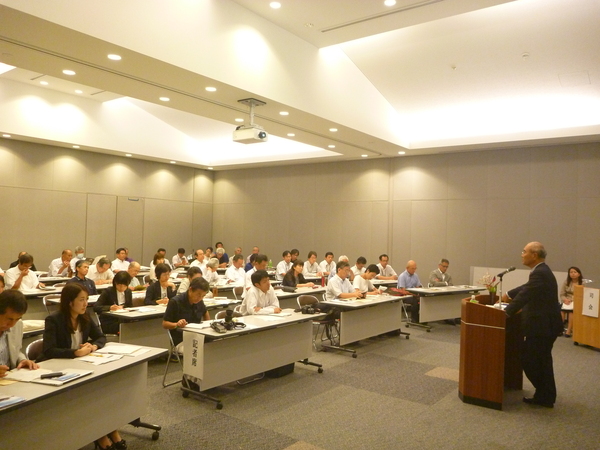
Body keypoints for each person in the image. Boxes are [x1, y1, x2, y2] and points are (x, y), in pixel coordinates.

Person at [40, 284, 122, 449]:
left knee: (101, 394)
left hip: (80, 367)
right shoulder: (54, 319)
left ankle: (111, 431)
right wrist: (75, 353)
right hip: (58, 369)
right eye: (81, 300)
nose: (86, 304)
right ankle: (102, 437)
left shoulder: (84, 317)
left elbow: (101, 337)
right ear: (70, 302)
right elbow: (49, 350)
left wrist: (93, 346)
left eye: (86, 299)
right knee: (90, 396)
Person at [503, 242, 563, 408]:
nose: (521, 254)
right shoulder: (541, 271)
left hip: (542, 327)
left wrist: (505, 313)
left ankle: (545, 394)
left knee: (530, 359)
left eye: (524, 251)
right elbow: (527, 287)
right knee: (542, 360)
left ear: (534, 255)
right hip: (545, 325)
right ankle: (546, 395)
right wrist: (509, 293)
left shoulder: (540, 272)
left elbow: (526, 294)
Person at [0, 290, 39, 378]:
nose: (12, 324)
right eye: (9, 319)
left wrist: (22, 360)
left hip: (10, 378)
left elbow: (16, 351)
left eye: (17, 319)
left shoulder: (18, 325)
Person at [162, 277, 210, 349]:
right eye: (198, 295)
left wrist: (207, 325)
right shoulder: (175, 302)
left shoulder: (199, 301)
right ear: (190, 290)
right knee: (202, 349)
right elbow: (165, 324)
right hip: (181, 340)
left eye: (203, 296)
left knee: (213, 345)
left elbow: (205, 312)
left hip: (197, 336)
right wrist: (177, 324)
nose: (200, 298)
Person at [560, 266, 583, 338]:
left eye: (575, 272)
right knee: (562, 311)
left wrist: (572, 300)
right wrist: (565, 299)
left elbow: (582, 295)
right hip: (566, 301)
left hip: (576, 301)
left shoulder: (582, 283)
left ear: (579, 274)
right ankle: (560, 328)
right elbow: (562, 294)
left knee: (571, 312)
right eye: (571, 272)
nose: (573, 274)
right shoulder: (566, 282)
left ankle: (569, 330)